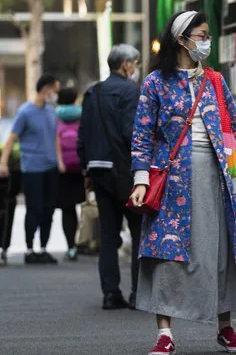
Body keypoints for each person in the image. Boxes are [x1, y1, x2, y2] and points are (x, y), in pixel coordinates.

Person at [129, 10, 236, 355]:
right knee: (167, 254)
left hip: (216, 176)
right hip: (171, 180)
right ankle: (165, 333)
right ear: (181, 39)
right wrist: (141, 179)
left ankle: (225, 327)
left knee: (220, 252)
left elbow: (231, 129)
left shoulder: (214, 80)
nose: (206, 42)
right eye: (201, 35)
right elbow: (142, 134)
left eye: (207, 35)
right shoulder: (156, 82)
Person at [77, 44, 142, 310]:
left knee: (107, 233)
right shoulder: (131, 91)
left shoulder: (93, 91)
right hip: (125, 172)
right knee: (139, 232)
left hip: (98, 171)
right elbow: (131, 133)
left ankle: (110, 293)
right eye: (135, 63)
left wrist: (86, 171)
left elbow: (82, 136)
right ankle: (139, 293)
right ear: (126, 64)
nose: (136, 68)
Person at [0, 74, 62, 264]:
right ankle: (29, 249)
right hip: (32, 168)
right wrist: (3, 163)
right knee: (34, 208)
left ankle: (43, 248)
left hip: (51, 167)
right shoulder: (25, 112)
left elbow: (56, 137)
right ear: (46, 89)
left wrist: (60, 161)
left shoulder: (51, 112)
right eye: (55, 90)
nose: (56, 95)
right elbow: (11, 138)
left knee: (49, 209)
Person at [56, 87, 85, 261]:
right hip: (80, 166)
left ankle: (71, 246)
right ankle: (84, 240)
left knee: (67, 209)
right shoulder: (82, 114)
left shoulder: (56, 115)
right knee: (85, 204)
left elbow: (55, 139)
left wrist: (59, 161)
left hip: (63, 168)